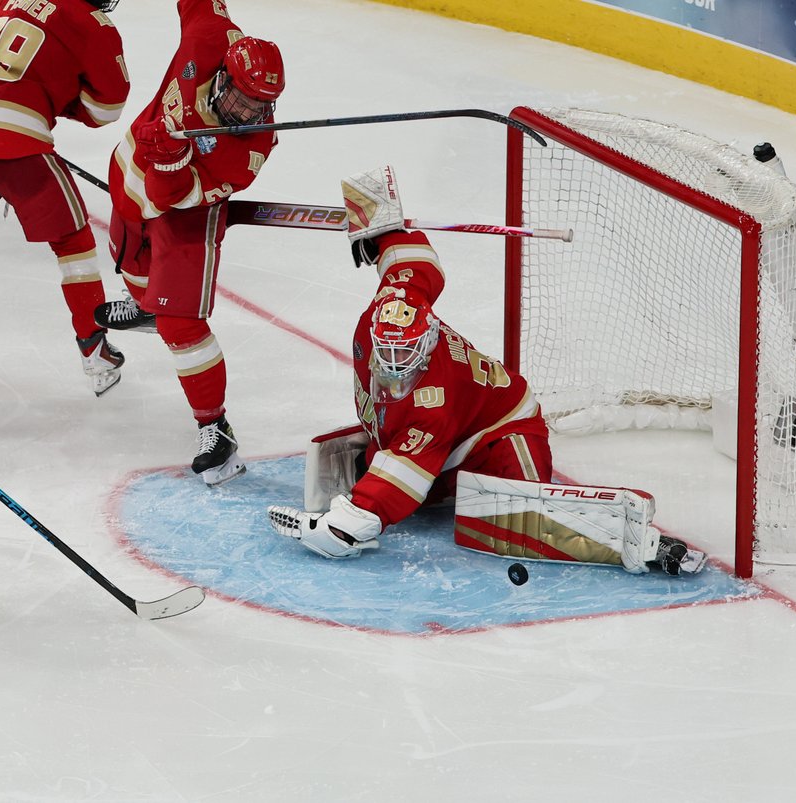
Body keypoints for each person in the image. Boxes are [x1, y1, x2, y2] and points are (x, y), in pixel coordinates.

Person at [268, 166, 705, 576]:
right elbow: (417, 266)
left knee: (526, 516)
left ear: (428, 344)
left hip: (501, 427)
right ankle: (445, 484)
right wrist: (382, 226)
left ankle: (645, 545)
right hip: (446, 437)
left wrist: (353, 520)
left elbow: (405, 467)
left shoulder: (433, 399)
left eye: (408, 360)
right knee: (421, 495)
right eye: (389, 357)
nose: (396, 371)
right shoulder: (390, 307)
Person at [93, 0, 284, 484]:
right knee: (134, 273)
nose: (248, 113)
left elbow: (173, 198)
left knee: (182, 325)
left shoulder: (250, 151)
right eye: (242, 99)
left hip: (183, 215)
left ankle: (215, 428)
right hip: (127, 181)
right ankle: (146, 305)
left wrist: (173, 158)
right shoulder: (211, 36)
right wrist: (161, 150)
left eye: (260, 107)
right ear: (223, 74)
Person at [0, 0, 131, 397]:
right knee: (73, 242)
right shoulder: (96, 25)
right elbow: (105, 109)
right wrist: (52, 99)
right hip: (19, 146)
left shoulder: (0, 1)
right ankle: (94, 348)